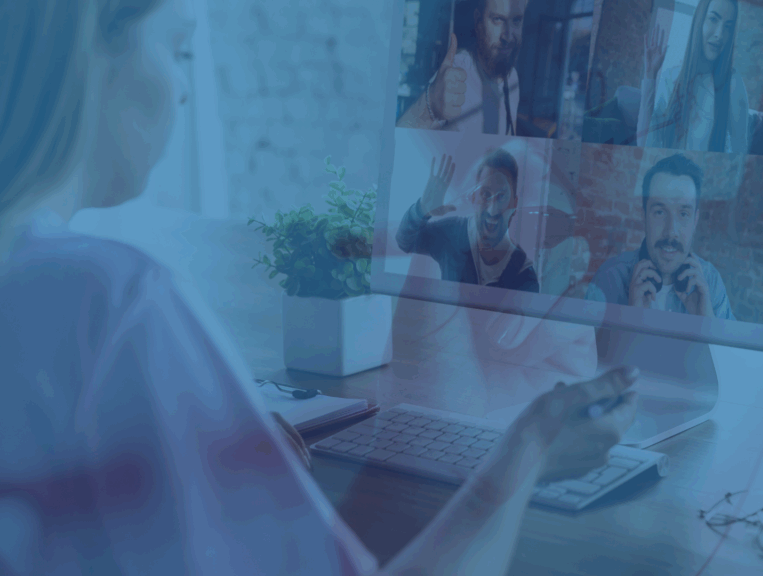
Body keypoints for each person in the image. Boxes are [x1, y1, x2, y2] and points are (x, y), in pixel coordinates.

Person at [0, 1, 639, 575]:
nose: (186, 88)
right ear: (86, 53)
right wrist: (527, 450)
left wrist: (201, 456)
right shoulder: (111, 301)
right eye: (177, 49)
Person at [585, 154, 735, 319]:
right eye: (659, 212)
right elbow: (582, 344)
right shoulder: (610, 278)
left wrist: (707, 321)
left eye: (683, 213)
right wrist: (631, 318)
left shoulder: (711, 282)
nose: (671, 231)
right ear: (644, 216)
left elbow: (728, 346)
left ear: (695, 220)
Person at [396, 149, 540, 292]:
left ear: (514, 204)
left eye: (502, 196)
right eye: (485, 194)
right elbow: (405, 242)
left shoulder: (525, 277)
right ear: (473, 197)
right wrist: (421, 209)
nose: (493, 210)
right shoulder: (452, 232)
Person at [396, 0, 526, 135]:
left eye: (516, 20)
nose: (508, 37)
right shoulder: (456, 71)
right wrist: (430, 105)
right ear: (478, 21)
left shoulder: (512, 77)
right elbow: (396, 145)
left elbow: (510, 139)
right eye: (497, 19)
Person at [636, 0, 749, 154]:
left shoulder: (733, 84)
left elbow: (740, 154)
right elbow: (645, 144)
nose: (719, 34)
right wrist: (650, 76)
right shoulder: (671, 77)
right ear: (700, 20)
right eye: (713, 19)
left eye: (728, 26)